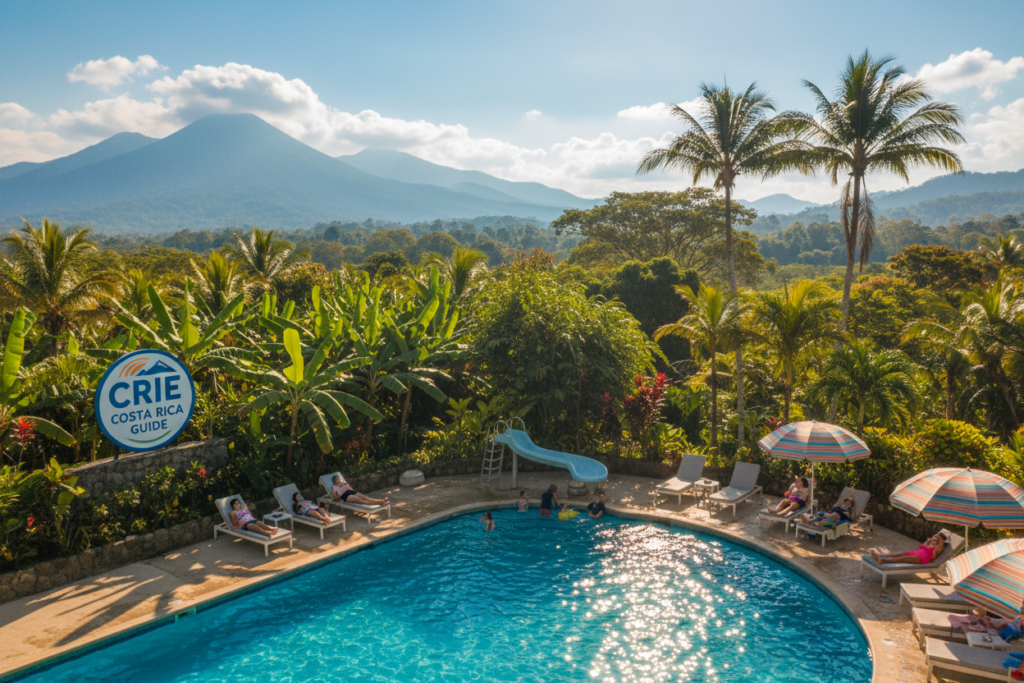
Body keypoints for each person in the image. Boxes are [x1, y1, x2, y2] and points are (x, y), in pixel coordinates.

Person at [870, 532, 947, 565]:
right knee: (898, 554)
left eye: (937, 538)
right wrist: (928, 541)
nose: (935, 538)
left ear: (940, 540)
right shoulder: (930, 544)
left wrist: (939, 538)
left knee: (903, 558)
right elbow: (922, 547)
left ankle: (882, 561)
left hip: (922, 558)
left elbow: (940, 546)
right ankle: (880, 556)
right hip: (916, 552)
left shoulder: (937, 549)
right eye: (935, 536)